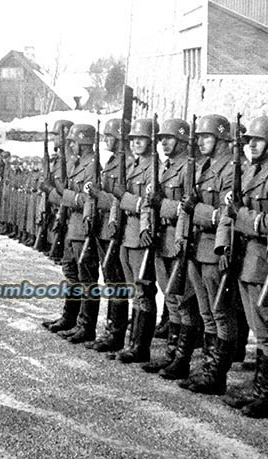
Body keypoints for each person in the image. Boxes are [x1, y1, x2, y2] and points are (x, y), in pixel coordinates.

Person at [216, 116, 268, 418]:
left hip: (264, 261)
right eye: (248, 140)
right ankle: (259, 390)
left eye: (258, 140)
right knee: (259, 328)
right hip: (247, 259)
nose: (251, 145)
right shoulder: (252, 171)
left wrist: (242, 216)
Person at [178, 114, 238, 395]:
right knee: (206, 312)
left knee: (220, 313)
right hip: (196, 245)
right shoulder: (203, 166)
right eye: (199, 136)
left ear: (222, 138)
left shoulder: (230, 171)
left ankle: (217, 375)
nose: (200, 141)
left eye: (207, 136)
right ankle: (208, 370)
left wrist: (197, 211)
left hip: (214, 248)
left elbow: (227, 214)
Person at [141, 118, 199, 379]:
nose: (164, 142)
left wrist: (161, 205)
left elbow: (187, 208)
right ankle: (170, 355)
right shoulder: (164, 167)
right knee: (171, 300)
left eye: (170, 138)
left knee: (184, 301)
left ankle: (181, 359)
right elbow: (148, 200)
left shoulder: (189, 169)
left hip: (179, 239)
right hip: (161, 237)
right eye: (162, 137)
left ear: (184, 141)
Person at [41, 124, 100, 344]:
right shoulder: (77, 164)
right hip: (70, 226)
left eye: (73, 142)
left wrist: (60, 193)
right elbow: (67, 196)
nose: (70, 145)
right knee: (71, 273)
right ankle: (70, 317)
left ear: (83, 143)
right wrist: (52, 192)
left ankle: (86, 325)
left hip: (82, 229)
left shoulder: (92, 166)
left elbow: (85, 199)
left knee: (86, 279)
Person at [109, 118, 159, 363]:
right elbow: (117, 199)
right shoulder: (132, 166)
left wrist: (126, 199)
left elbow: (148, 203)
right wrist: (113, 222)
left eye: (141, 138)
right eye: (133, 139)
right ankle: (132, 342)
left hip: (141, 233)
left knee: (143, 290)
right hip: (126, 233)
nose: (136, 142)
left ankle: (140, 346)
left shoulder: (154, 168)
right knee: (133, 289)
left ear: (151, 141)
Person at [82, 118, 130, 353]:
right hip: (104, 228)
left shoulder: (127, 164)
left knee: (117, 282)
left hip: (117, 230)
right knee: (110, 281)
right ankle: (110, 330)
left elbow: (118, 199)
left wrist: (99, 195)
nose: (106, 140)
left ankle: (116, 333)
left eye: (111, 136)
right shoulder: (111, 162)